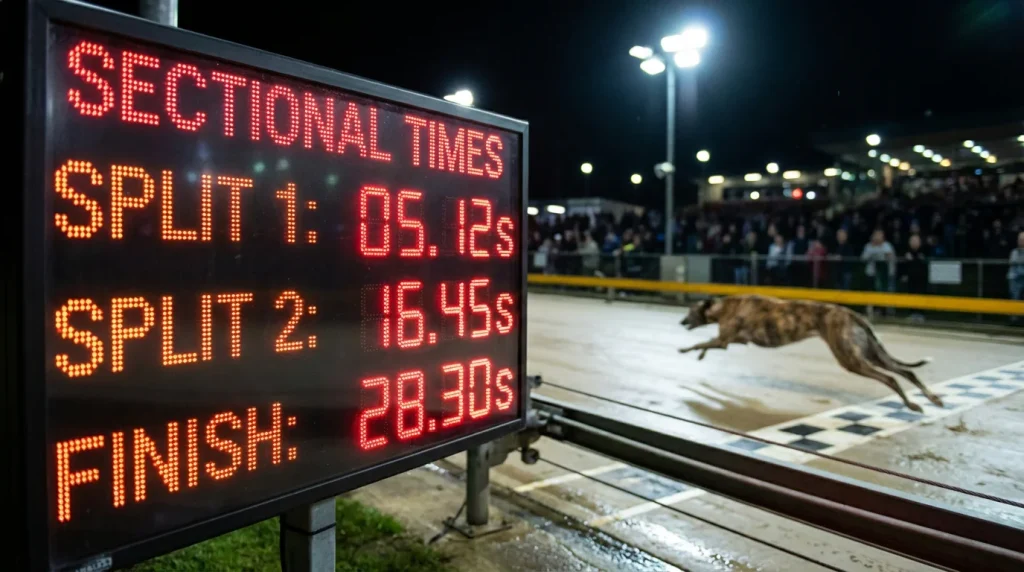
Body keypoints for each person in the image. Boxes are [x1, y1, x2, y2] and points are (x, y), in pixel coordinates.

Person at [1008, 231, 1024, 305]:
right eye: (1019, 240)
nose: (1020, 241)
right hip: (1015, 279)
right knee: (1015, 300)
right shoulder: (1014, 252)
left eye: (1022, 240)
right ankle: (1014, 316)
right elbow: (1013, 263)